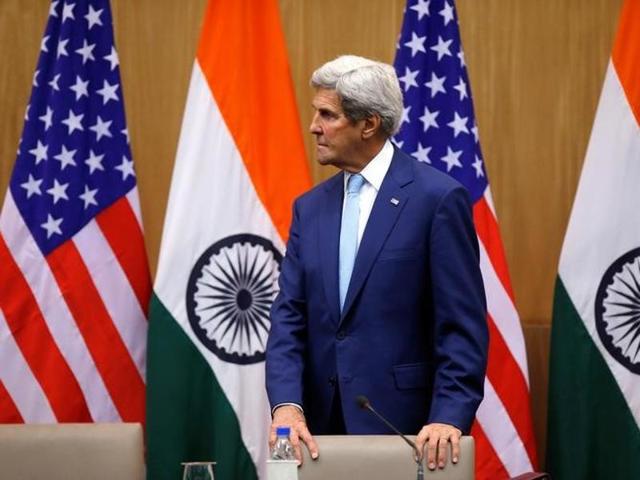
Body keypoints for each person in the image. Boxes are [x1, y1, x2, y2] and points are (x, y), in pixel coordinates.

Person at [265, 55, 488, 471]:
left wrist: (448, 415)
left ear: (368, 124)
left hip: (406, 431)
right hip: (313, 434)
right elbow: (288, 319)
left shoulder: (436, 199)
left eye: (327, 115)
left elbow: (461, 325)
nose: (313, 125)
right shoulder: (309, 209)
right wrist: (286, 406)